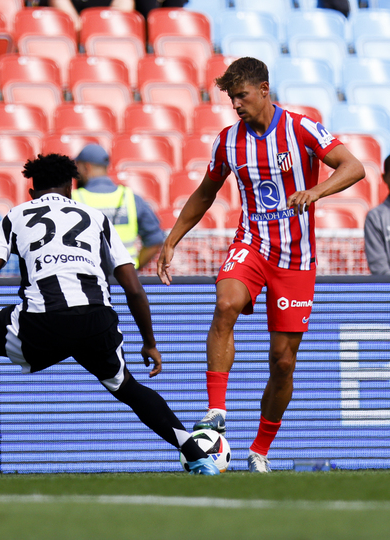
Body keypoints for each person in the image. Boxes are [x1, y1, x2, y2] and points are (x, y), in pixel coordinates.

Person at [0, 153, 220, 475]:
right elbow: (134, 289)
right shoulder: (96, 217)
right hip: (96, 322)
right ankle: (197, 456)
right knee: (128, 387)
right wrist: (149, 342)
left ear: (32, 192)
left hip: (43, 323)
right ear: (70, 189)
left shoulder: (15, 216)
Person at [156, 57, 365, 473]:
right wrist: (172, 239)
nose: (236, 104)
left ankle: (259, 450)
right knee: (225, 303)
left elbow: (354, 167)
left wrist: (316, 191)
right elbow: (204, 193)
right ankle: (216, 411)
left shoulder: (301, 128)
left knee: (283, 362)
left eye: (242, 95)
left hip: (295, 261)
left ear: (265, 90)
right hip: (251, 246)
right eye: (232, 98)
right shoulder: (228, 141)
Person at [73, 143, 165, 270]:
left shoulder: (74, 199)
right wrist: (135, 268)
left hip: (89, 279)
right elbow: (155, 240)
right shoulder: (130, 197)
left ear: (85, 167)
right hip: (125, 279)